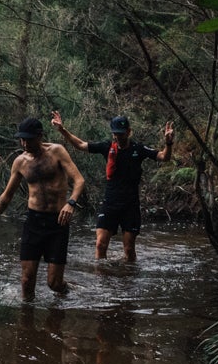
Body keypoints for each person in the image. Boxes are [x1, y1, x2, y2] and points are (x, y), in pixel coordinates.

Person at [0, 116, 88, 297]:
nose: (24, 143)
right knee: (26, 281)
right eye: (21, 139)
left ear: (39, 136)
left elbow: (79, 180)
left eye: (28, 139)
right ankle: (26, 322)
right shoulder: (20, 162)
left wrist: (71, 203)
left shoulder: (57, 152)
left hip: (58, 222)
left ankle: (68, 292)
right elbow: (7, 195)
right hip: (34, 222)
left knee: (53, 284)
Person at [50, 110, 172, 262]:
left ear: (129, 132)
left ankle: (128, 280)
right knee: (100, 244)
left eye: (121, 133)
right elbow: (81, 145)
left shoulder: (138, 149)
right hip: (110, 203)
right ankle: (102, 282)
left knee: (129, 248)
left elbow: (164, 157)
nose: (118, 137)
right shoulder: (107, 147)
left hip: (130, 205)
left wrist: (168, 142)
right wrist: (62, 129)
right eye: (115, 133)